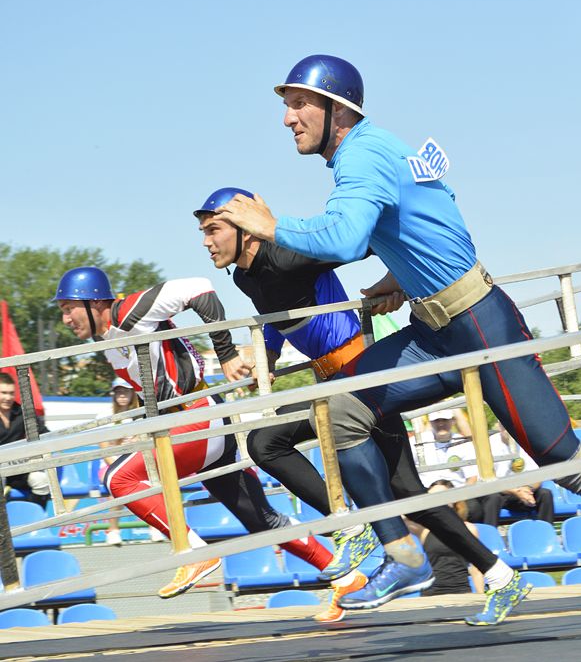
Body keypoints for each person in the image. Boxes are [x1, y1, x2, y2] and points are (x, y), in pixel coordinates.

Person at [215, 54, 581, 639]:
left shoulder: (362, 155)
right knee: (341, 409)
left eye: (298, 105)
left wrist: (271, 226)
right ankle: (402, 555)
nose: (288, 118)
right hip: (434, 331)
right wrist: (402, 278)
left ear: (336, 110)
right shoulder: (375, 150)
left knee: (566, 464)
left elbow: (345, 239)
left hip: (480, 328)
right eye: (287, 106)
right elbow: (433, 211)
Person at [195, 188, 527, 625]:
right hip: (328, 383)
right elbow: (277, 314)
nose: (205, 242)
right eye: (203, 232)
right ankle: (501, 576)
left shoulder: (290, 252)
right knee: (401, 493)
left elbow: (380, 236)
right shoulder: (244, 276)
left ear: (246, 228)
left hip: (363, 377)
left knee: (275, 444)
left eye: (213, 229)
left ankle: (354, 528)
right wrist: (268, 355)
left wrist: (395, 282)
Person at [53, 267, 340, 611]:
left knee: (119, 478)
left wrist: (227, 354)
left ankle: (192, 553)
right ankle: (343, 576)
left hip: (199, 416)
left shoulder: (130, 311)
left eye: (69, 307)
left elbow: (199, 288)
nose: (66, 318)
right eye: (62, 311)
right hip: (195, 420)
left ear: (95, 302)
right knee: (261, 520)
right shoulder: (106, 341)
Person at [418, 480, 485, 596]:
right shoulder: (423, 530)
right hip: (430, 594)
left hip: (460, 591)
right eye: (431, 497)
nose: (436, 500)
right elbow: (399, 516)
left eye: (441, 496)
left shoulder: (468, 529)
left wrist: (481, 595)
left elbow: (476, 569)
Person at [100, 378, 143, 546]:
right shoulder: (105, 415)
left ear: (132, 393)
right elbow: (104, 448)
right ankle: (113, 530)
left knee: (153, 484)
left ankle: (156, 528)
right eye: (118, 391)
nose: (122, 395)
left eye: (125, 391)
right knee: (116, 486)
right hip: (111, 465)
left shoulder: (139, 415)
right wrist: (117, 467)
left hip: (134, 463)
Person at [0, 372, 51, 508]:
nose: (8, 397)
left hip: (19, 468)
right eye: (3, 393)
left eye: (11, 393)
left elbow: (45, 434)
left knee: (41, 480)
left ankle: (34, 522)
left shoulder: (23, 413)